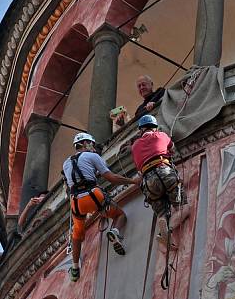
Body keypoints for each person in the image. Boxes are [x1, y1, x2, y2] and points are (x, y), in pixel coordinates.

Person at [62, 132, 139, 283]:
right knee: (119, 215)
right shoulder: (93, 156)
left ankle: (76, 268)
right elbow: (111, 178)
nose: (93, 147)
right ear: (85, 144)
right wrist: (133, 181)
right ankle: (115, 232)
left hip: (76, 202)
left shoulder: (66, 163)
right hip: (94, 195)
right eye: (91, 144)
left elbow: (69, 185)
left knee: (77, 235)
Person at [130, 115, 185, 230]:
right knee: (182, 207)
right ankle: (170, 228)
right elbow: (172, 149)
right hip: (164, 171)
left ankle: (163, 221)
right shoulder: (161, 135)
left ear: (141, 130)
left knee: (161, 212)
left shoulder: (134, 146)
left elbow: (139, 168)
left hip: (148, 180)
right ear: (155, 127)